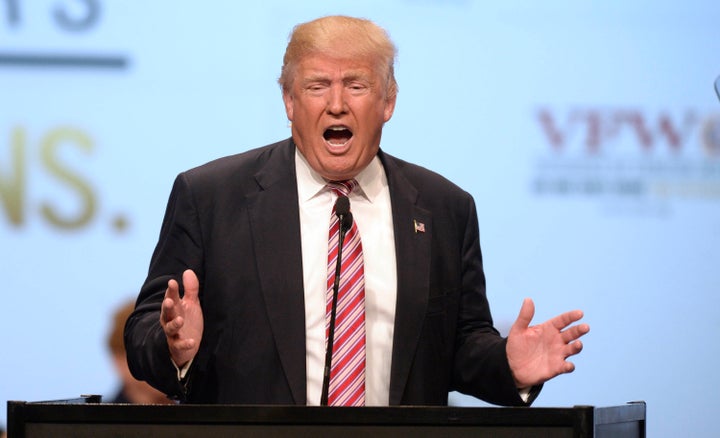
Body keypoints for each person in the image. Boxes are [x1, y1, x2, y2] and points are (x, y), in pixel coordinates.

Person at [125, 15, 589, 407]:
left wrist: (509, 366)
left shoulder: (445, 208)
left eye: (356, 85)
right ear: (289, 101)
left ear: (388, 100)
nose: (336, 104)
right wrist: (174, 347)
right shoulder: (211, 197)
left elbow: (461, 346)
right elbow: (143, 331)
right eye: (317, 85)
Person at [106, 299, 175, 404]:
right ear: (119, 360)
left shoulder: (195, 416)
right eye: (151, 355)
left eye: (169, 353)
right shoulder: (95, 419)